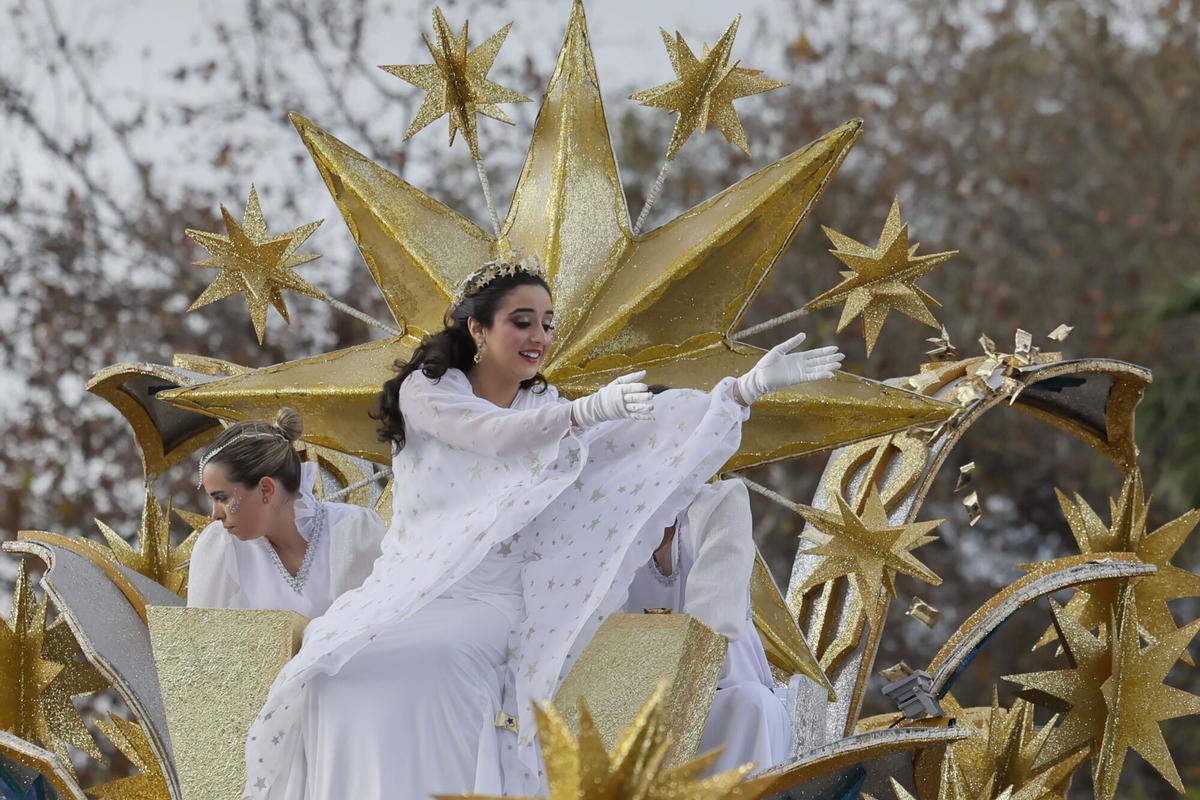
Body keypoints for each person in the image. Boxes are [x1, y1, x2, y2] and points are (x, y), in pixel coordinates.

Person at [241, 253, 843, 800]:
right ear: (477, 328)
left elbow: (637, 434)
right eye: (522, 321)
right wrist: (583, 412)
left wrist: (739, 392)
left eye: (548, 324)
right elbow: (490, 435)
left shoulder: (548, 410)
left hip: (498, 604)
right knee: (330, 672)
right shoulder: (429, 393)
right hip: (407, 592)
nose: (539, 337)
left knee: (434, 668)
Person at [626, 478, 792, 775]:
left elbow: (711, 623)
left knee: (749, 707)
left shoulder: (720, 503)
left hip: (723, 697)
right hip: (636, 706)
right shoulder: (610, 530)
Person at [188, 407, 386, 617]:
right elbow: (202, 635)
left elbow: (383, 623)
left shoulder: (354, 531)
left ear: (266, 489)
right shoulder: (223, 548)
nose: (215, 514)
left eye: (222, 498)